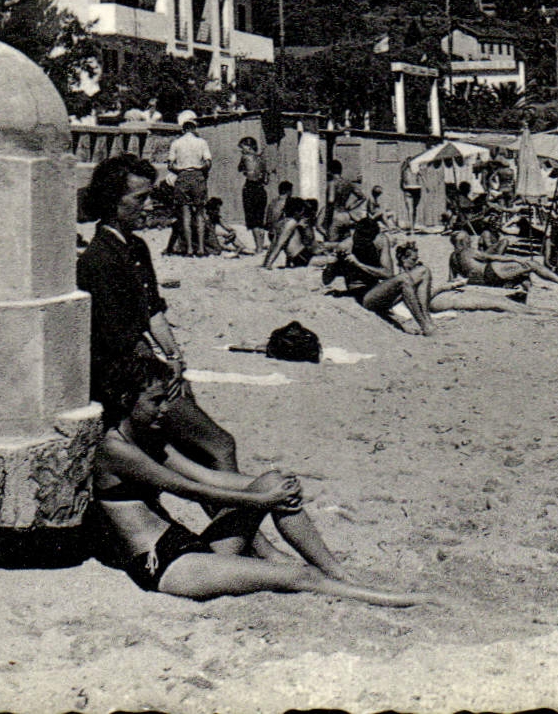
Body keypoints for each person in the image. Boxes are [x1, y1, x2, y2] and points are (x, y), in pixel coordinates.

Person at [91, 354, 428, 604]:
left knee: (271, 481)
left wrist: (274, 485)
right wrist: (260, 501)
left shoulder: (149, 439)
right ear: (126, 401)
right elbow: (190, 490)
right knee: (300, 576)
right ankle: (395, 600)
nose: (165, 409)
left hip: (188, 546)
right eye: (156, 401)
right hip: (166, 566)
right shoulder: (114, 450)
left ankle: (339, 573)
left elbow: (209, 477)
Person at [78, 154, 238, 473]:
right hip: (126, 378)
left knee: (203, 452)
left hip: (147, 367)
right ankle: (237, 520)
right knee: (220, 445)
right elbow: (120, 339)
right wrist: (163, 373)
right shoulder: (100, 260)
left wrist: (176, 359)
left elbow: (153, 311)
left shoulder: (136, 248)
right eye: (140, 198)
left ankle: (231, 516)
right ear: (113, 201)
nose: (149, 206)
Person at [325, 222, 436, 335]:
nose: (363, 242)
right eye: (360, 238)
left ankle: (428, 320)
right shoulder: (345, 246)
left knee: (423, 271)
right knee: (404, 279)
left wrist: (359, 264)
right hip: (363, 296)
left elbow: (388, 274)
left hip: (379, 291)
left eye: (368, 239)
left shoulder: (381, 241)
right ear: (355, 234)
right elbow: (326, 281)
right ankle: (425, 326)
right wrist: (330, 264)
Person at [448, 229, 558, 291]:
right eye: (468, 240)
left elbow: (451, 279)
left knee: (518, 272)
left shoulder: (452, 258)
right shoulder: (468, 251)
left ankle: (529, 290)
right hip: (490, 273)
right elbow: (495, 257)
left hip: (482, 281)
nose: (470, 241)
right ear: (463, 241)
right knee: (531, 264)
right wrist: (515, 258)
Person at [166, 112, 213, 257]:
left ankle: (189, 249)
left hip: (182, 176)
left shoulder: (176, 143)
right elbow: (208, 163)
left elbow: (170, 165)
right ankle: (200, 248)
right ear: (194, 128)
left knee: (185, 214)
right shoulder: (201, 142)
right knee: (199, 213)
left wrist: (180, 169)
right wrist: (199, 168)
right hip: (197, 176)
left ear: (183, 129)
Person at [237, 137, 270, 254]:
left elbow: (240, 169)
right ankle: (260, 245)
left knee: (253, 220)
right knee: (260, 219)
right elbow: (266, 179)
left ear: (249, 146)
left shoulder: (245, 157)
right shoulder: (262, 159)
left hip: (250, 188)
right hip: (261, 190)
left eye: (243, 147)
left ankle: (259, 247)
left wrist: (246, 171)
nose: (241, 150)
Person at [399, 155, 425, 232]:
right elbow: (423, 177)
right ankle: (412, 226)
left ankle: (411, 229)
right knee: (414, 209)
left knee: (410, 210)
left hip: (407, 188)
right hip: (417, 188)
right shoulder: (416, 167)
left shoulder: (403, 169)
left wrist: (403, 188)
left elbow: (401, 181)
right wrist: (426, 187)